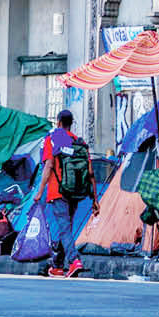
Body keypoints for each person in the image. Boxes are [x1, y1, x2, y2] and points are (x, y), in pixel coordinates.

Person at [42, 109, 96, 278]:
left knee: (64, 229)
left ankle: (74, 260)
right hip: (75, 191)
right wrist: (95, 198)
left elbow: (49, 166)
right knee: (66, 229)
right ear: (71, 123)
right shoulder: (79, 143)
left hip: (58, 192)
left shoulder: (52, 140)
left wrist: (39, 191)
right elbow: (90, 172)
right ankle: (58, 265)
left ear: (58, 122)